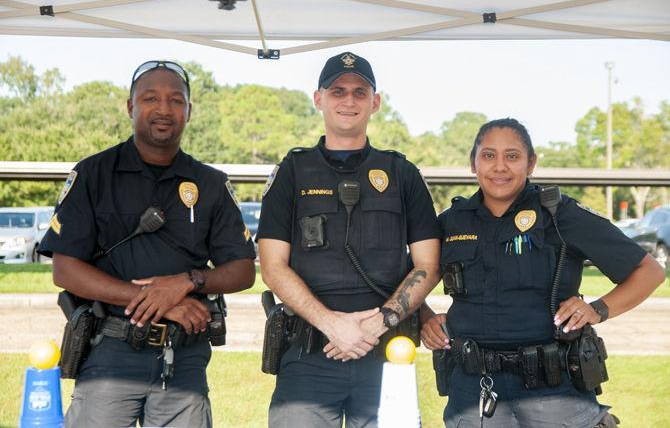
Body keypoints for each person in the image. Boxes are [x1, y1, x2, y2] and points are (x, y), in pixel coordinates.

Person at [38, 60, 256, 427]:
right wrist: (160, 302)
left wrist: (188, 282)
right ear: (130, 107)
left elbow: (243, 270)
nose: (164, 109)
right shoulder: (94, 174)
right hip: (110, 353)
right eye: (150, 98)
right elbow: (65, 269)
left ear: (189, 110)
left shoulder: (211, 183)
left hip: (184, 359)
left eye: (176, 100)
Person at [421, 118, 665, 428]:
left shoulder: (560, 214)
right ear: (473, 163)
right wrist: (425, 317)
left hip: (554, 389)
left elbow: (649, 271)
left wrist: (597, 309)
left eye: (512, 156)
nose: (500, 166)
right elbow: (408, 277)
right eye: (488, 155)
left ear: (531, 163)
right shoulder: (451, 222)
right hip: (474, 389)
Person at [257, 51, 441, 427]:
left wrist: (374, 326)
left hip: (385, 352)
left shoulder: (402, 173)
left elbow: (429, 264)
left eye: (360, 92)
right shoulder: (292, 172)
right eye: (337, 91)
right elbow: (272, 267)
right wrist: (332, 324)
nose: (349, 100)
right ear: (318, 98)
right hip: (308, 353)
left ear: (375, 102)